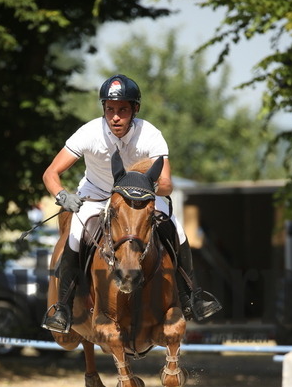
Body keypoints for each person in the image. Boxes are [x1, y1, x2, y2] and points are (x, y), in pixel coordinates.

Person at [41, 74, 221, 333]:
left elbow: (167, 182)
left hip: (141, 196)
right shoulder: (89, 132)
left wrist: (145, 189)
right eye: (110, 109)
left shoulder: (150, 134)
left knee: (177, 228)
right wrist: (62, 195)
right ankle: (63, 307)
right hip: (97, 196)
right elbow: (50, 173)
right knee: (76, 235)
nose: (115, 117)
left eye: (122, 110)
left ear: (135, 109)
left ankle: (192, 295)